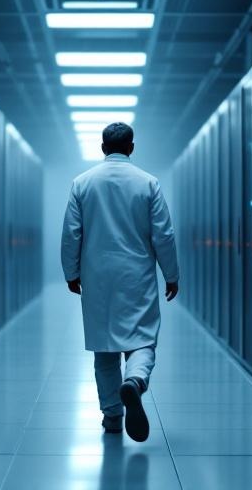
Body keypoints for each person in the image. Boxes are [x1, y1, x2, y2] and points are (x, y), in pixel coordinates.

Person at [60, 122, 180, 442]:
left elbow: (72, 233)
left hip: (97, 277)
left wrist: (71, 272)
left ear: (102, 148)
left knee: (104, 347)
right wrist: (171, 274)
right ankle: (136, 380)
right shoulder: (148, 183)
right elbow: (163, 235)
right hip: (137, 275)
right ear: (131, 147)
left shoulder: (82, 183)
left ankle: (113, 415)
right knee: (142, 339)